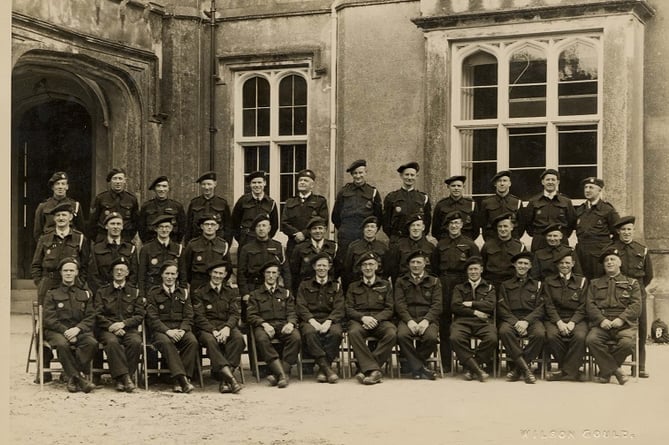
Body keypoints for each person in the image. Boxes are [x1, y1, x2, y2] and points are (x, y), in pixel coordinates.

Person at [431, 210, 480, 371]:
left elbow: (476, 267)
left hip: (462, 284)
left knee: (462, 321)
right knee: (444, 323)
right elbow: (434, 268)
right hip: (444, 283)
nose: (454, 226)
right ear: (447, 226)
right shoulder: (440, 245)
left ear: (462, 225)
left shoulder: (470, 244)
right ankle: (446, 364)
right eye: (451, 224)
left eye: (457, 223)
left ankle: (466, 363)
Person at [586, 248, 641, 385]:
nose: (609, 262)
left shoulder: (632, 283)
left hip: (624, 324)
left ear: (620, 263)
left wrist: (621, 319)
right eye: (606, 260)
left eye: (612, 259)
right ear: (603, 265)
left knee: (627, 344)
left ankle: (606, 371)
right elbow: (590, 305)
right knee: (591, 340)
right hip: (602, 323)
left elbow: (636, 305)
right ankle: (616, 371)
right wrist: (601, 320)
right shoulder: (594, 283)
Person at [42, 257, 97, 393]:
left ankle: (72, 377)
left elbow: (91, 316)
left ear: (77, 272)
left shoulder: (85, 294)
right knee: (62, 344)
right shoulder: (52, 293)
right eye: (65, 270)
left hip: (79, 331)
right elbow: (49, 319)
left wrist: (78, 329)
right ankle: (79, 378)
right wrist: (66, 331)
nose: (68, 273)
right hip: (56, 331)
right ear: (60, 273)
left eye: (71, 270)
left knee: (91, 343)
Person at [608, 216, 653, 378]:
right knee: (617, 328)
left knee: (641, 329)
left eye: (629, 229)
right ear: (618, 232)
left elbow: (648, 275)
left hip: (638, 293)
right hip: (617, 293)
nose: (626, 232)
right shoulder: (612, 249)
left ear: (633, 231)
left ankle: (639, 366)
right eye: (623, 230)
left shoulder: (642, 249)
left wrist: (637, 290)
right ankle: (614, 364)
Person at [145, 260, 198, 393]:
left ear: (177, 275)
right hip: (161, 330)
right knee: (166, 343)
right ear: (162, 275)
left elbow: (189, 315)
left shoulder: (183, 293)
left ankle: (177, 380)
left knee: (192, 341)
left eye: (173, 274)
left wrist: (182, 330)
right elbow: (152, 318)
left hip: (180, 329)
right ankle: (182, 380)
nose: (170, 277)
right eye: (167, 273)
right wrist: (168, 331)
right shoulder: (153, 293)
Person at [192, 261, 245, 393]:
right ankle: (231, 379)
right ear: (210, 273)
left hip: (226, 326)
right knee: (210, 341)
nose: (217, 276)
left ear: (225, 275)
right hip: (207, 329)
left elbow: (234, 314)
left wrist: (227, 328)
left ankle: (224, 380)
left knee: (238, 339)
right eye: (215, 272)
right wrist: (213, 330)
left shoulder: (230, 292)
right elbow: (199, 317)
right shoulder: (199, 292)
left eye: (221, 273)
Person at [247, 261, 301, 388]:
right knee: (261, 338)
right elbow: (251, 315)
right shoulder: (255, 294)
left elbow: (292, 312)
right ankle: (282, 374)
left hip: (283, 324)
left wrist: (291, 323)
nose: (271, 276)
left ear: (278, 275)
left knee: (296, 337)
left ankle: (279, 374)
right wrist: (264, 324)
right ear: (264, 275)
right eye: (268, 273)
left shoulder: (285, 293)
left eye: (274, 273)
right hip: (264, 325)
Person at [94, 256, 144, 392]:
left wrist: (123, 324)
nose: (119, 272)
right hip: (107, 330)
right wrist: (111, 326)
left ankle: (120, 379)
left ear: (127, 273)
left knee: (135, 341)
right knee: (112, 343)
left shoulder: (135, 292)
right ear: (112, 273)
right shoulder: (102, 291)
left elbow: (140, 315)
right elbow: (97, 314)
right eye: (116, 270)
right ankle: (126, 378)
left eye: (122, 270)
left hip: (128, 328)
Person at [345, 252, 396, 385]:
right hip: (359, 321)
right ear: (361, 268)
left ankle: (366, 369)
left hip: (380, 321)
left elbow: (390, 309)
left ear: (376, 266)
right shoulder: (353, 286)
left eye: (371, 264)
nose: (368, 268)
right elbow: (349, 309)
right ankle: (375, 371)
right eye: (365, 265)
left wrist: (376, 319)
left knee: (391, 333)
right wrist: (363, 318)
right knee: (353, 333)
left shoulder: (385, 285)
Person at [296, 252, 344, 383]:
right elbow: (301, 306)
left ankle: (323, 369)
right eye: (319, 265)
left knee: (336, 332)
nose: (322, 268)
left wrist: (329, 321)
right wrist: (312, 321)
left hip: (330, 319)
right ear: (314, 267)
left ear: (329, 267)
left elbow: (339, 307)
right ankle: (327, 369)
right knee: (309, 332)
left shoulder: (336, 285)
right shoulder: (304, 285)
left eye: (324, 265)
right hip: (310, 320)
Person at [497, 252, 544, 384]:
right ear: (514, 265)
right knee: (504, 331)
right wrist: (516, 322)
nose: (522, 266)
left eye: (525, 264)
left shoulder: (538, 285)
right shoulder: (505, 285)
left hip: (531, 319)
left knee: (540, 334)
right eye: (520, 263)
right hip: (512, 319)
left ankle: (518, 369)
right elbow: (502, 308)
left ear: (530, 266)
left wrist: (526, 322)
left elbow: (541, 307)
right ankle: (526, 370)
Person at [394, 250, 442, 380]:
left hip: (428, 318)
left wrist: (426, 321)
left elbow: (437, 305)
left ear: (425, 264)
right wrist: (409, 321)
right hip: (407, 318)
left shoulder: (434, 281)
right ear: (408, 264)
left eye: (418, 262)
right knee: (402, 336)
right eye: (412, 262)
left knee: (431, 337)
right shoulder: (401, 281)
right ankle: (421, 368)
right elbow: (400, 304)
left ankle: (413, 366)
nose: (415, 265)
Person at [542, 251, 588, 382]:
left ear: (573, 264)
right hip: (555, 319)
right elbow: (548, 305)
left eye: (567, 262)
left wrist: (573, 322)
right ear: (557, 265)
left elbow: (583, 305)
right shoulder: (549, 281)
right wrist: (559, 322)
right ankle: (573, 371)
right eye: (561, 263)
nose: (564, 265)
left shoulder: (582, 281)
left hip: (576, 319)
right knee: (552, 336)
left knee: (580, 336)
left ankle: (564, 371)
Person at [31, 202, 89, 304]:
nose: (61, 218)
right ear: (54, 219)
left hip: (72, 283)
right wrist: (40, 283)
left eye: (64, 215)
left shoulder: (79, 238)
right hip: (49, 283)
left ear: (70, 217)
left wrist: (80, 282)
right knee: (48, 315)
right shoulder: (45, 238)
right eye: (58, 215)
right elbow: (36, 264)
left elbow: (86, 264)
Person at [450, 256, 497, 382]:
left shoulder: (489, 287)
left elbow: (490, 305)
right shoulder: (459, 288)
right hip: (462, 322)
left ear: (481, 270)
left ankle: (471, 367)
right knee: (455, 338)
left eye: (476, 269)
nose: (473, 272)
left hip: (483, 322)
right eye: (470, 269)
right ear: (467, 271)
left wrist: (471, 303)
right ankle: (478, 369)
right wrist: (476, 312)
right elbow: (455, 306)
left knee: (492, 338)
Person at [331, 159, 383, 274]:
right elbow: (335, 216)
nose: (358, 176)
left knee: (365, 265)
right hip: (346, 235)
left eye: (360, 173)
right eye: (355, 173)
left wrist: (369, 231)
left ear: (365, 173)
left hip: (364, 235)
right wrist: (346, 229)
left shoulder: (372, 192)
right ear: (352, 175)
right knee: (345, 267)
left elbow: (378, 217)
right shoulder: (344, 192)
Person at [237, 213, 291, 319]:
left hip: (273, 289)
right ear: (255, 229)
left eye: (264, 225)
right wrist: (245, 293)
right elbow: (241, 273)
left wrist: (288, 292)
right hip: (253, 287)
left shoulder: (278, 247)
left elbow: (286, 271)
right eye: (258, 226)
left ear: (269, 228)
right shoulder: (247, 248)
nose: (261, 229)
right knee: (250, 320)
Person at [575, 177, 620, 280]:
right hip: (582, 254)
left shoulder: (607, 210)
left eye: (591, 187)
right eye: (586, 187)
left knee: (599, 283)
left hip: (599, 256)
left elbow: (617, 233)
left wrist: (607, 250)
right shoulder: (580, 210)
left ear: (599, 190)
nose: (587, 190)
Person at [281, 169, 329, 260]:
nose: (302, 182)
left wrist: (304, 234)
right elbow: (284, 223)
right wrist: (296, 234)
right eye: (300, 180)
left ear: (312, 185)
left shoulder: (320, 201)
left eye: (305, 180)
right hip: (293, 243)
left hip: (311, 243)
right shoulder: (290, 202)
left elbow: (323, 221)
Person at [524, 169, 576, 251]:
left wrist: (561, 234)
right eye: (547, 179)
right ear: (543, 182)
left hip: (560, 240)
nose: (550, 182)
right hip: (540, 241)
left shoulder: (566, 201)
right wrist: (538, 235)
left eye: (553, 180)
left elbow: (572, 222)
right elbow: (527, 223)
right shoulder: (534, 201)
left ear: (558, 182)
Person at [88, 212, 138, 294]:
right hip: (103, 294)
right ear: (106, 226)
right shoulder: (96, 248)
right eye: (112, 224)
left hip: (125, 295)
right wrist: (103, 292)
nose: (115, 227)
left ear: (122, 227)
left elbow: (134, 274)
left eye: (118, 224)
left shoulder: (130, 248)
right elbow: (93, 275)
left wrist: (126, 291)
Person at [382, 162, 431, 245]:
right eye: (406, 175)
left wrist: (418, 236)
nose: (409, 178)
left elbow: (427, 221)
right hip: (398, 241)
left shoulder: (423, 198)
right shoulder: (392, 197)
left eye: (412, 175)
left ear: (416, 176)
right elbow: (386, 223)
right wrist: (395, 237)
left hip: (417, 241)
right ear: (401, 176)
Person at [138, 214, 186, 295]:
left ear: (171, 228)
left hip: (172, 291)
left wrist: (183, 292)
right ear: (156, 229)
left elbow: (183, 274)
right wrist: (142, 295)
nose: (164, 230)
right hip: (152, 290)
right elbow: (142, 275)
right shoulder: (146, 249)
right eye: (161, 227)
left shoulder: (178, 249)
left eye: (167, 227)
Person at [89, 168, 139, 243]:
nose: (118, 182)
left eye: (120, 178)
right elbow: (92, 222)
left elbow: (136, 222)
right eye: (115, 179)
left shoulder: (131, 200)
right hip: (104, 239)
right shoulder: (100, 198)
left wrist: (128, 237)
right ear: (110, 181)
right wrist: (99, 239)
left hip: (124, 239)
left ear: (125, 180)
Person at [289, 216, 338, 294]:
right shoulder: (300, 248)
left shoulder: (333, 247)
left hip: (327, 290)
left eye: (320, 228)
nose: (318, 231)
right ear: (309, 231)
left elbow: (337, 270)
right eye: (314, 229)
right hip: (306, 290)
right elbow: (294, 272)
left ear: (325, 230)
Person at [183, 214, 231, 290]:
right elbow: (185, 267)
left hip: (216, 283)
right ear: (202, 226)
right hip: (198, 284)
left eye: (212, 224)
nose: (209, 227)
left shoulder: (223, 245)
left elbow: (228, 268)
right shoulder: (193, 244)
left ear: (217, 227)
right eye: (207, 224)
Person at [231, 170, 279, 248]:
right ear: (250, 184)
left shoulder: (270, 203)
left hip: (264, 242)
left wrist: (266, 237)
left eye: (259, 182)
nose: (257, 185)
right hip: (246, 241)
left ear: (264, 183)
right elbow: (234, 222)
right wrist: (241, 238)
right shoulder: (243, 201)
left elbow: (274, 225)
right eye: (254, 183)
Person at [33, 171, 85, 241]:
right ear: (52, 187)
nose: (60, 187)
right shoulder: (43, 206)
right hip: (50, 244)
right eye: (57, 184)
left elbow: (81, 230)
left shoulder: (75, 205)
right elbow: (37, 232)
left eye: (63, 184)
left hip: (70, 244)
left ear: (67, 187)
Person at [342, 216, 388, 292]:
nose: (369, 229)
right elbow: (347, 269)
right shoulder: (354, 247)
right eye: (367, 227)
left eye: (372, 227)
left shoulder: (383, 247)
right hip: (358, 285)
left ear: (376, 229)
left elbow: (387, 270)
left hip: (378, 286)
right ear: (363, 229)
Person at [480, 213, 528, 288]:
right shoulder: (488, 245)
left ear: (511, 227)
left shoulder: (520, 247)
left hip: (512, 283)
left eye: (505, 226)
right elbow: (482, 265)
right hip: (491, 282)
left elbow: (525, 267)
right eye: (500, 226)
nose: (502, 229)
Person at [185, 171, 233, 244]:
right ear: (201, 185)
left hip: (217, 242)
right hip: (197, 242)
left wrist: (226, 244)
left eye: (209, 184)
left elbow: (228, 226)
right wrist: (188, 243)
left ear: (215, 184)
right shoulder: (194, 203)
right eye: (204, 184)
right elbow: (188, 226)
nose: (206, 187)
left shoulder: (222, 203)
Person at [387, 214, 435, 283]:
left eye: (418, 225)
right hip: (404, 284)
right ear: (409, 228)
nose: (415, 228)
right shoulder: (399, 246)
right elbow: (394, 270)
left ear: (423, 227)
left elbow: (434, 270)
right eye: (413, 225)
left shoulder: (430, 247)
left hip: (425, 285)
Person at [137, 176, 187, 243]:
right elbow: (141, 228)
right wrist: (147, 244)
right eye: (158, 186)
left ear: (168, 188)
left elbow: (182, 228)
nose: (161, 189)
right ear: (154, 189)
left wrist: (175, 244)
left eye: (164, 186)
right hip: (151, 244)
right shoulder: (146, 206)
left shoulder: (177, 206)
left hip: (171, 244)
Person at [478, 171, 524, 241]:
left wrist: (514, 240)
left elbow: (521, 226)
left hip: (512, 242)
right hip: (493, 241)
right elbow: (483, 225)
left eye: (505, 181)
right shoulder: (487, 202)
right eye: (499, 181)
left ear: (509, 184)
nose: (502, 183)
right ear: (495, 184)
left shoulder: (517, 202)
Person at [432, 175, 478, 241]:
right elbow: (435, 230)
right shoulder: (441, 205)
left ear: (463, 187)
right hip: (446, 242)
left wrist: (468, 242)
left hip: (466, 242)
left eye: (459, 186)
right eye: (453, 186)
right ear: (448, 187)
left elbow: (476, 229)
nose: (456, 188)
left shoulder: (471, 204)